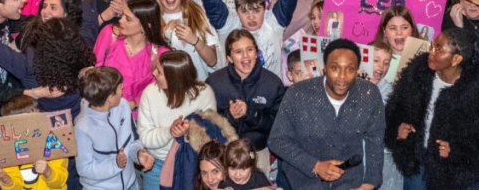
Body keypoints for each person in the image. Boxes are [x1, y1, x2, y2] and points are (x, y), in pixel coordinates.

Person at [386, 28, 479, 190]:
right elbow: (393, 111)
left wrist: (456, 153)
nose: (431, 52)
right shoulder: (417, 73)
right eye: (432, 45)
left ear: (456, 59)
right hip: (417, 167)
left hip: (457, 176)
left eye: (438, 49)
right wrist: (397, 130)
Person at [268, 38, 385, 190]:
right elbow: (277, 140)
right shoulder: (298, 94)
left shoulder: (369, 94)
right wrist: (314, 165)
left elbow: (375, 142)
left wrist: (369, 184)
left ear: (357, 70)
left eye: (350, 69)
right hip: (304, 183)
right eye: (335, 68)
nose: (342, 77)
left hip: (350, 184)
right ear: (325, 68)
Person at [207, 30, 285, 177]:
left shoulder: (272, 83)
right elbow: (206, 122)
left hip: (258, 153)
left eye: (250, 50)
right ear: (229, 58)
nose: (246, 56)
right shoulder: (215, 82)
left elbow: (278, 125)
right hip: (223, 151)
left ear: (256, 53)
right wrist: (230, 116)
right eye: (238, 52)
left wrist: (250, 113)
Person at [138, 50, 218, 189]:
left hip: (192, 165)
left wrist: (189, 132)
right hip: (157, 165)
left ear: (174, 77)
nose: (154, 73)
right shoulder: (149, 94)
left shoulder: (204, 93)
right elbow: (145, 138)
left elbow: (210, 138)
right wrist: (170, 132)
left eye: (159, 71)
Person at [75, 66, 156, 190]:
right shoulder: (82, 127)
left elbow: (133, 141)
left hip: (131, 185)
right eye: (120, 89)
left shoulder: (123, 106)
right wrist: (115, 164)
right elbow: (84, 169)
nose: (122, 92)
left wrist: (139, 154)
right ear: (110, 98)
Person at [93, 0, 170, 110]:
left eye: (128, 19)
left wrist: (134, 104)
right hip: (102, 110)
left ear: (146, 25)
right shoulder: (109, 34)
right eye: (122, 15)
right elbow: (94, 70)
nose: (120, 20)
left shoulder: (160, 54)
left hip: (138, 116)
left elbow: (160, 91)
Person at [153, 0, 218, 80]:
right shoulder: (151, 18)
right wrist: (163, 41)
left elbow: (212, 61)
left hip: (199, 85)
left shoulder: (198, 12)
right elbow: (150, 69)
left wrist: (195, 41)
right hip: (168, 88)